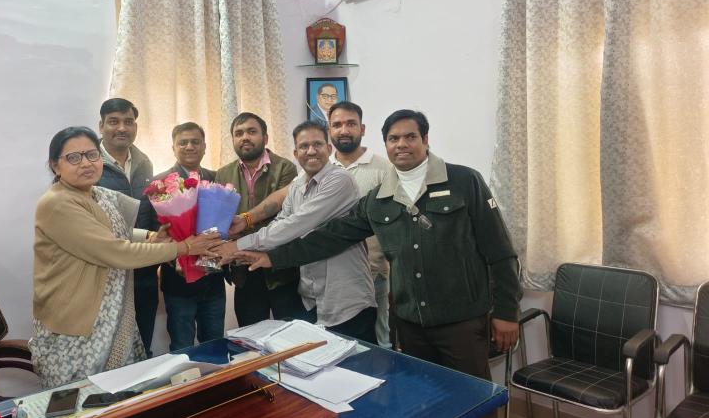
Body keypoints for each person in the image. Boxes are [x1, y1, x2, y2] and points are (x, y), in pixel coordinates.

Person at [234, 110, 522, 379]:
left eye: (410, 137)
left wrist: (507, 313)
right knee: (422, 398)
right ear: (385, 144)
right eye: (393, 139)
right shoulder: (378, 199)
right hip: (409, 324)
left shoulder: (464, 181)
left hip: (461, 321)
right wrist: (273, 257)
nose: (401, 144)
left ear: (425, 139)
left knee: (473, 401)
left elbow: (500, 250)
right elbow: (330, 237)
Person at [30, 126, 218, 388]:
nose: (86, 163)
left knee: (118, 394)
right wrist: (183, 247)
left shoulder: (98, 194)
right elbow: (115, 251)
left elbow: (118, 230)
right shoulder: (57, 203)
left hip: (110, 313)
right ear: (55, 165)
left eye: (92, 155)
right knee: (83, 400)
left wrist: (150, 237)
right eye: (74, 157)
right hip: (77, 323)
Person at [215, 121, 377, 343]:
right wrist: (246, 248)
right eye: (303, 146)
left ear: (329, 149)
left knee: (358, 361)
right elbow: (281, 221)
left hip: (346, 298)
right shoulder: (299, 184)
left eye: (317, 144)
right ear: (295, 153)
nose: (311, 151)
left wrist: (236, 246)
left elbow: (296, 225)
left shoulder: (340, 180)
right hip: (312, 296)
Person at [214, 112, 303, 326]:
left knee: (292, 334)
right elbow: (222, 220)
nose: (245, 137)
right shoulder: (223, 174)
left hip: (281, 268)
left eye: (251, 131)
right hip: (244, 271)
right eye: (239, 133)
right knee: (250, 335)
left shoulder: (285, 168)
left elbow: (284, 215)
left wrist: (244, 228)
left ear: (265, 137)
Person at [148, 122, 224, 351]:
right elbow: (153, 231)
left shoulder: (217, 179)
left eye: (195, 142)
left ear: (204, 147)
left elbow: (226, 222)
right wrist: (177, 258)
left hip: (213, 280)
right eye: (183, 142)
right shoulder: (158, 184)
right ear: (173, 148)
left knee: (215, 343)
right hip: (178, 283)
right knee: (182, 347)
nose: (190, 146)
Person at [326, 101, 392, 348]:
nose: (344, 130)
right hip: (331, 279)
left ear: (362, 129)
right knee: (337, 346)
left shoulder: (384, 169)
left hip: (375, 275)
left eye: (351, 124)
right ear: (329, 130)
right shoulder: (320, 169)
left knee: (380, 342)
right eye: (337, 125)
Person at [96, 98, 158, 356]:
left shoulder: (144, 163)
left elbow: (151, 210)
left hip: (144, 272)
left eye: (128, 122)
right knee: (108, 352)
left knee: (143, 344)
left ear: (136, 127)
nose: (122, 128)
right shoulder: (90, 165)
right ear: (101, 126)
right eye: (114, 121)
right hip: (107, 275)